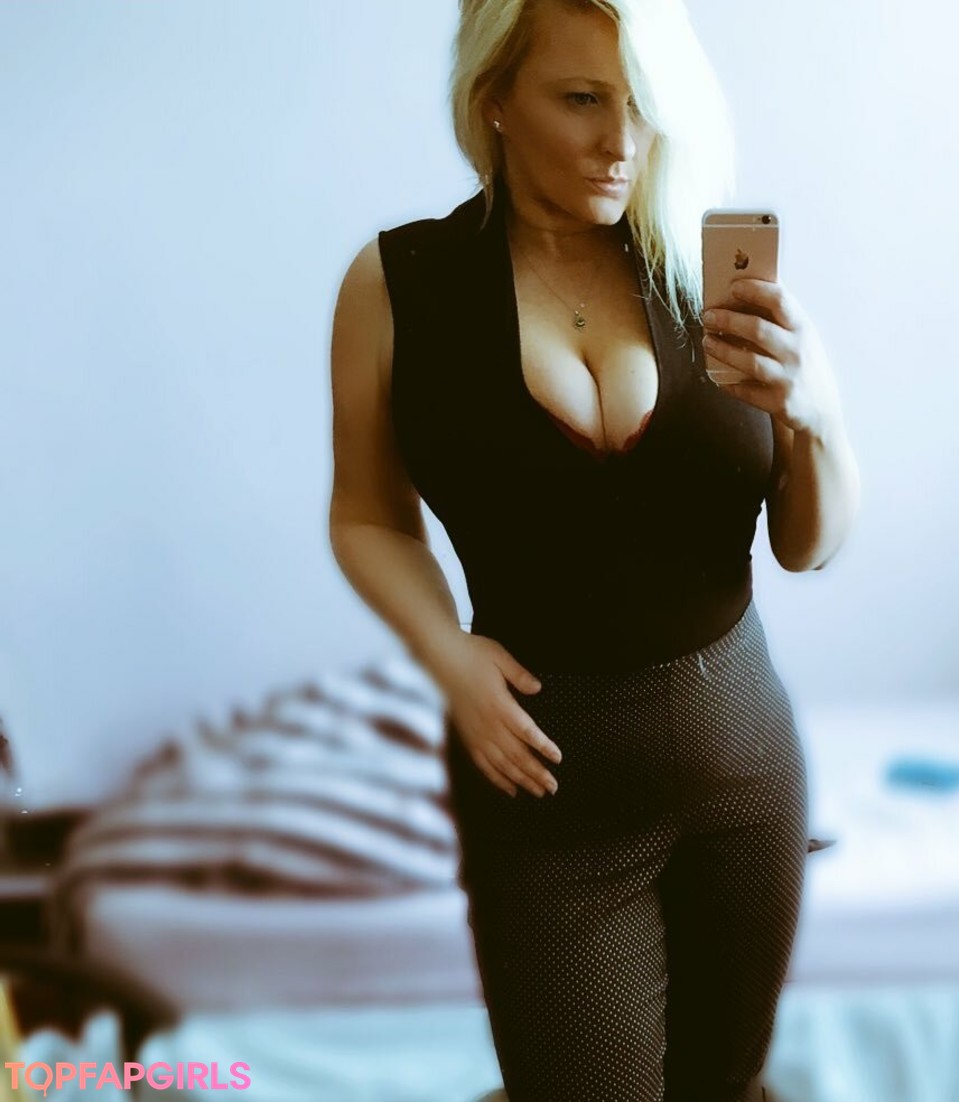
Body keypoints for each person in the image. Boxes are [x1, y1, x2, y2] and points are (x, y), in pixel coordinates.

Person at [329, 1, 861, 1098]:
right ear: (495, 99)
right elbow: (368, 515)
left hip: (747, 775)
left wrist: (814, 414)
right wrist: (447, 656)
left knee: (723, 1088)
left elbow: (809, 546)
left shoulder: (707, 273)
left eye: (641, 105)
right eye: (581, 100)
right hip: (546, 802)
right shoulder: (399, 286)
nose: (622, 142)